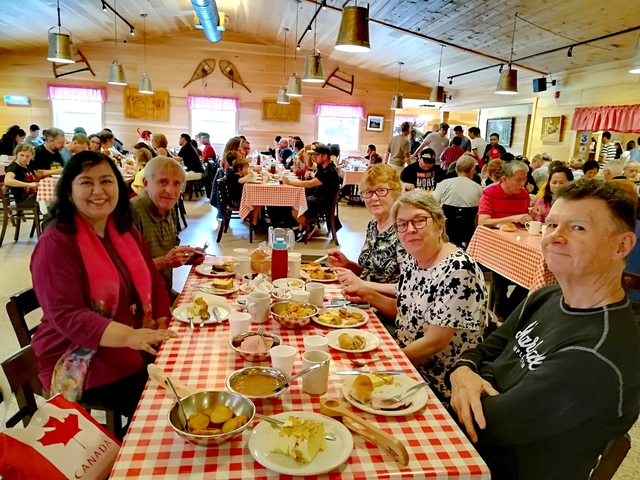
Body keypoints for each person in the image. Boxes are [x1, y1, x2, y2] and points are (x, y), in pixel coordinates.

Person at [446, 178, 640, 480]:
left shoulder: (597, 353)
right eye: (551, 225)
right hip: (473, 449)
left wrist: (469, 376)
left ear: (622, 245)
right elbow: (488, 346)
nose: (554, 238)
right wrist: (463, 372)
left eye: (578, 228)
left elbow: (489, 425)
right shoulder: (547, 296)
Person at [30, 151, 176, 437]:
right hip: (79, 353)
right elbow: (66, 315)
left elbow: (154, 281)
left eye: (106, 181)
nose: (98, 191)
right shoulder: (56, 244)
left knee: (185, 370)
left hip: (133, 337)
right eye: (86, 183)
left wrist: (160, 319)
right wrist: (130, 337)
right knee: (163, 405)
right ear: (69, 191)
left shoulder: (125, 232)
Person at [343, 190, 488, 400]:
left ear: (439, 224)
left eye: (419, 221)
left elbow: (434, 343)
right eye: (401, 224)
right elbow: (404, 311)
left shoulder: (458, 269)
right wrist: (368, 294)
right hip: (407, 356)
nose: (409, 229)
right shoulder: (414, 258)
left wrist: (387, 366)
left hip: (438, 379)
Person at [130, 156, 206, 299]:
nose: (170, 191)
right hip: (140, 300)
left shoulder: (169, 210)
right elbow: (125, 271)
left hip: (164, 293)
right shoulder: (131, 213)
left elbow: (169, 250)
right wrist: (165, 262)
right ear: (146, 184)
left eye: (176, 184)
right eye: (163, 182)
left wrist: (187, 256)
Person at [329, 164, 406, 285]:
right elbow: (368, 273)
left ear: (395, 192)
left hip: (385, 302)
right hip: (364, 298)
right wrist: (347, 264)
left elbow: (406, 289)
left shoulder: (404, 229)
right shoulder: (373, 225)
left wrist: (362, 286)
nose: (374, 198)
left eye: (381, 190)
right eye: (368, 192)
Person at [283, 143, 341, 240]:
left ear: (325, 156)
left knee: (294, 207)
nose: (314, 157)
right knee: (297, 199)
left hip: (323, 202)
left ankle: (308, 226)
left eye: (316, 155)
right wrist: (308, 156)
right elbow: (309, 165)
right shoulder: (323, 167)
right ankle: (303, 227)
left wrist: (290, 182)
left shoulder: (330, 171)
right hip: (318, 197)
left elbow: (310, 184)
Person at [478, 160, 531, 227]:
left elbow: (524, 221)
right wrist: (513, 218)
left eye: (525, 179)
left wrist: (534, 213)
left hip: (517, 235)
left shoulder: (524, 195)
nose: (523, 184)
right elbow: (482, 222)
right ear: (504, 179)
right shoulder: (489, 194)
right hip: (494, 235)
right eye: (519, 180)